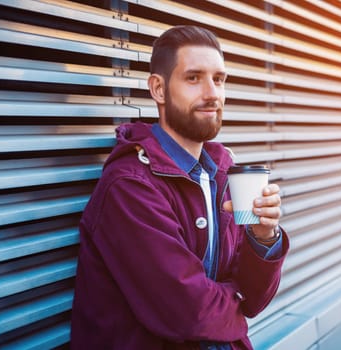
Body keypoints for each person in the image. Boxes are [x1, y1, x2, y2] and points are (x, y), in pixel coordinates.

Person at [70, 25, 289, 349]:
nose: (212, 93)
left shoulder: (219, 175)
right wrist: (237, 304)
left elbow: (255, 298)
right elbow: (189, 313)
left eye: (219, 79)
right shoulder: (129, 186)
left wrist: (263, 237)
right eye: (193, 78)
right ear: (158, 89)